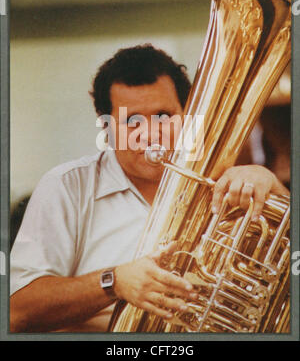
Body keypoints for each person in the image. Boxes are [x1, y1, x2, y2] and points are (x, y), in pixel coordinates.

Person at [10, 44, 289, 333]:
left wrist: (278, 195)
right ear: (107, 127)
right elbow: (15, 311)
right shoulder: (67, 187)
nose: (151, 134)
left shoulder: (226, 183)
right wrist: (114, 282)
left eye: (164, 116)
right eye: (132, 121)